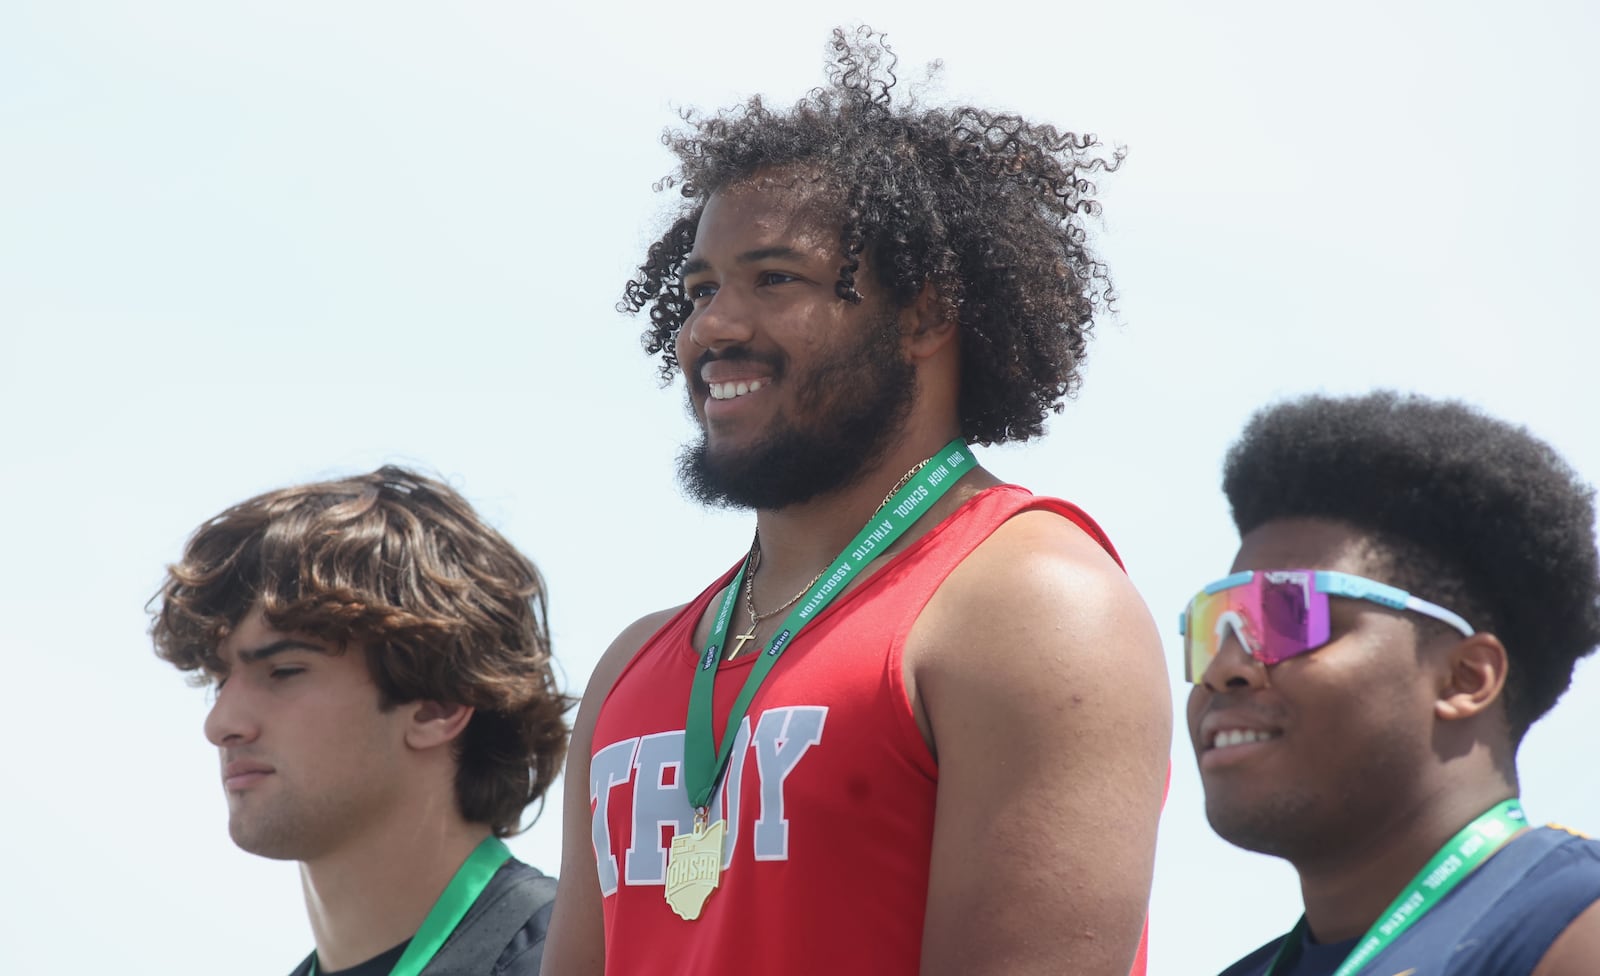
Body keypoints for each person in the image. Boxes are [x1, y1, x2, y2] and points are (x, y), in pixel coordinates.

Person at [542, 27, 1171, 976]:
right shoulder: (635, 666)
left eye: (775, 279)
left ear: (922, 314)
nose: (713, 325)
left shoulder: (1030, 606)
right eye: (701, 287)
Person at [1183, 391, 1600, 975]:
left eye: (1289, 615)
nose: (1223, 668)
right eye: (1211, 628)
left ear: (1464, 678)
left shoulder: (1572, 929)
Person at [150, 466, 570, 976]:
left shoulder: (581, 961)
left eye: (283, 671)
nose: (220, 724)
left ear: (437, 704)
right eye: (220, 680)